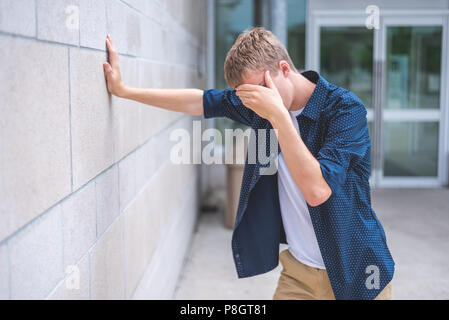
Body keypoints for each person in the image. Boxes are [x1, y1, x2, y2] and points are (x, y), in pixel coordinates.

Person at [103, 27, 395, 300]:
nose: (255, 104)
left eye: (259, 92)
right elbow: (202, 101)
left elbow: (317, 191)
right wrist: (124, 91)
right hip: (299, 274)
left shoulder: (344, 109)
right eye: (249, 97)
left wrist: (278, 116)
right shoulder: (260, 103)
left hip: (359, 272)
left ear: (283, 69)